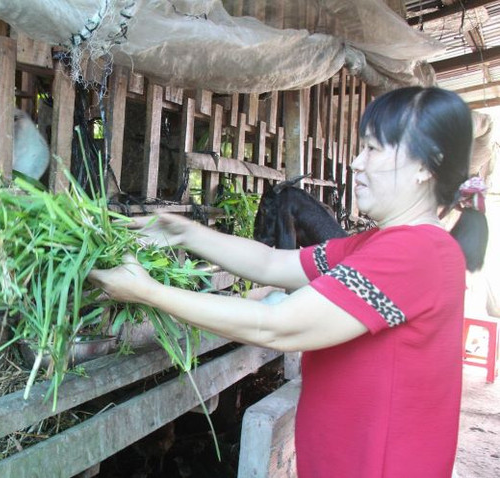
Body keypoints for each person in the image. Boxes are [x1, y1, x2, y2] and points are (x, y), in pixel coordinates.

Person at [87, 86, 489, 478]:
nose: (356, 163)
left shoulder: (417, 253)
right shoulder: (380, 244)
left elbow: (276, 325)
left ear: (425, 166)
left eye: (373, 149)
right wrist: (183, 233)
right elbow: (270, 263)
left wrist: (149, 292)